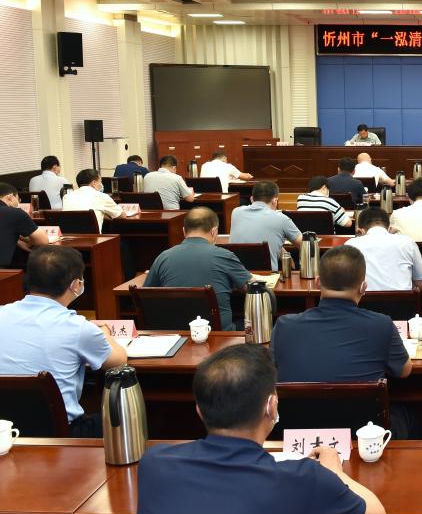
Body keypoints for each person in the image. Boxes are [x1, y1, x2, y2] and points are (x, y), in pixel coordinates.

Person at [136, 344, 385, 514]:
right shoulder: (305, 479)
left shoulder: (154, 462)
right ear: (271, 407)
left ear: (199, 410)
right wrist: (334, 471)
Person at [0, 246, 127, 437]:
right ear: (76, 285)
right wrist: (105, 334)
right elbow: (118, 361)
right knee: (121, 416)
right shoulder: (78, 327)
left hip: (5, 430)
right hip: (60, 434)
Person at [272, 246, 413, 384]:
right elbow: (404, 371)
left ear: (317, 283)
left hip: (298, 401)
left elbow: (274, 368)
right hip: (361, 401)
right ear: (363, 287)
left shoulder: (284, 326)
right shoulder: (382, 325)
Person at [145, 208, 253, 330]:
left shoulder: (163, 257)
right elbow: (253, 289)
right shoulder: (225, 256)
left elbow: (146, 294)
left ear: (184, 231)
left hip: (175, 334)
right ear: (214, 232)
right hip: (218, 335)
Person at [346, 208, 422, 292]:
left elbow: (344, 284)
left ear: (360, 231)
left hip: (362, 300)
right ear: (389, 228)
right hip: (401, 300)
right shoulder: (407, 242)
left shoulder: (351, 245)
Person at [229, 181, 302, 270]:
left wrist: (280, 249)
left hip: (236, 274)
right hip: (267, 276)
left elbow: (254, 234)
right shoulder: (281, 219)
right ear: (275, 201)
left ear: (252, 199)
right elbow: (305, 245)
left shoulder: (236, 212)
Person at [0, 182, 47, 267]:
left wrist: (16, 239)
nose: (19, 202)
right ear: (10, 197)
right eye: (18, 199)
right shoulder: (15, 213)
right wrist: (20, 237)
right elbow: (42, 241)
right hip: (3, 272)